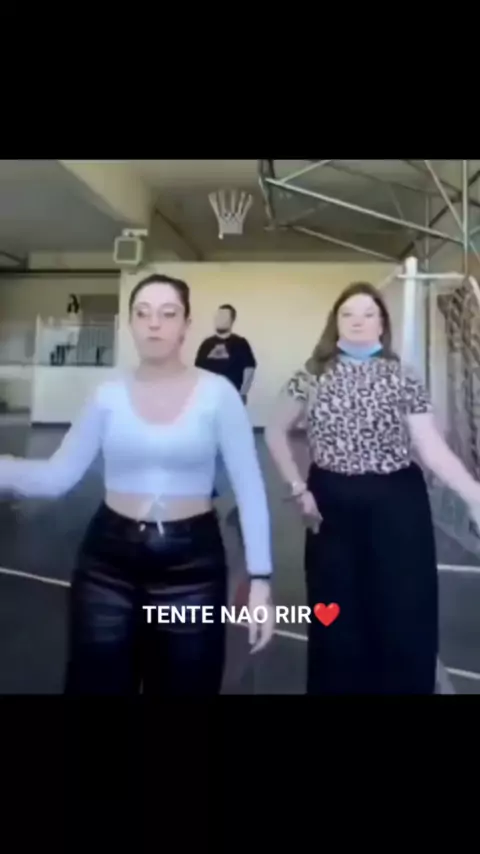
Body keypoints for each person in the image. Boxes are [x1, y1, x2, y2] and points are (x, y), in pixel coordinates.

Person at [0, 273, 274, 695]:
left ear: (185, 325)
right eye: (143, 313)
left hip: (193, 570)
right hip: (108, 565)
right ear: (130, 323)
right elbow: (57, 476)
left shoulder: (219, 395)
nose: (154, 323)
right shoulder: (106, 395)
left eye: (168, 313)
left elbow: (250, 487)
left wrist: (260, 579)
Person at [265, 281, 480, 695]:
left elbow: (430, 447)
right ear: (336, 323)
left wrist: (473, 496)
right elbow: (275, 430)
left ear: (382, 324)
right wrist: (297, 487)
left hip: (397, 503)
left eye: (368, 314)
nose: (358, 321)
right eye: (348, 314)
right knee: (334, 607)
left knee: (404, 605)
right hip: (330, 503)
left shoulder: (402, 377)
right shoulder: (310, 375)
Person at [194, 304, 257, 402]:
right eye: (218, 316)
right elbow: (198, 370)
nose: (220, 319)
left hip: (231, 397)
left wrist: (243, 393)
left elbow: (249, 369)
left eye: (224, 317)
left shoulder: (240, 343)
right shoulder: (206, 344)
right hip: (208, 397)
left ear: (232, 320)